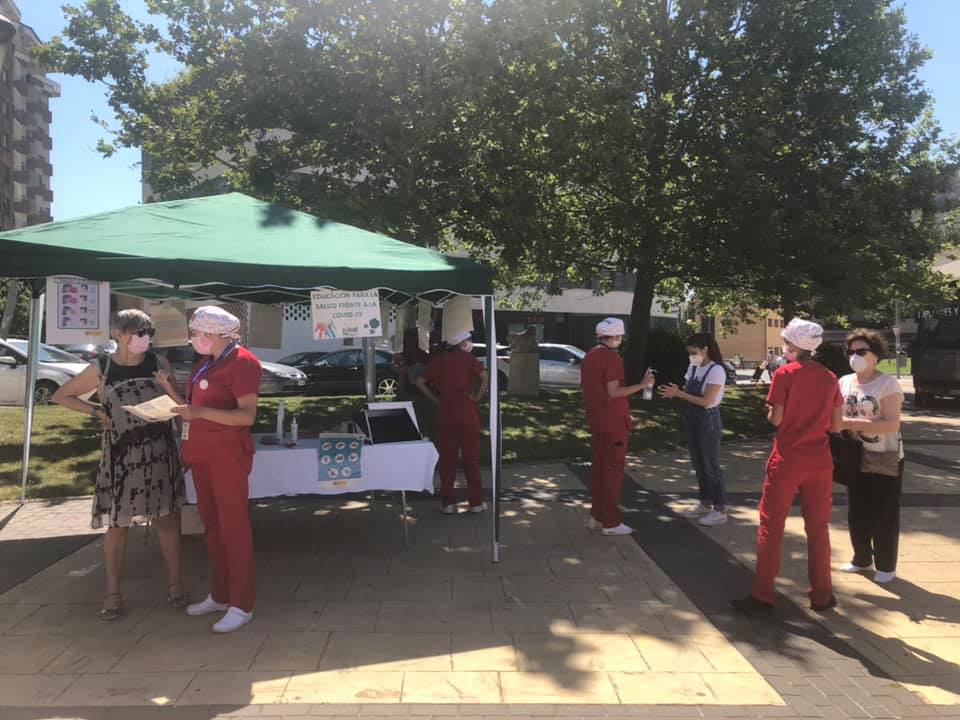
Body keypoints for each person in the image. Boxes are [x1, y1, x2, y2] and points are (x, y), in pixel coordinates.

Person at [52, 309, 186, 622]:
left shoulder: (158, 363)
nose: (145, 338)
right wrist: (96, 412)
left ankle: (175, 583)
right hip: (121, 455)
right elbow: (61, 395)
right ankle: (112, 592)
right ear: (118, 334)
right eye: (139, 332)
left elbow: (179, 405)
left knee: (167, 518)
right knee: (118, 523)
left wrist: (170, 394)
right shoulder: (102, 368)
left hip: (160, 450)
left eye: (149, 332)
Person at [732, 318, 843, 615]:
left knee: (771, 526)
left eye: (786, 342)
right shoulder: (830, 377)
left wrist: (770, 411)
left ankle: (763, 595)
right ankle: (822, 595)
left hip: (788, 458)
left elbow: (776, 419)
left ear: (794, 344)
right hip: (820, 461)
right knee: (818, 528)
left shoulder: (784, 373)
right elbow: (836, 425)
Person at [167, 306, 262, 633]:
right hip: (203, 455)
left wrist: (200, 412)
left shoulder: (243, 362)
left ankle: (242, 604)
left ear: (214, 333)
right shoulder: (207, 362)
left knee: (234, 529)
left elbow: (246, 416)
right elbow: (197, 408)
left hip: (227, 456)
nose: (193, 338)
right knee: (212, 527)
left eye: (196, 332)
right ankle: (221, 595)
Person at [838, 329, 904, 584]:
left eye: (861, 351)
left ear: (875, 355)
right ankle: (862, 559)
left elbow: (891, 424)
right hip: (854, 456)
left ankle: (886, 566)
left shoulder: (887, 384)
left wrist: (851, 424)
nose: (855, 356)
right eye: (851, 351)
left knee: (884, 513)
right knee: (857, 512)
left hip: (884, 456)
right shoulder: (844, 382)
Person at [580, 318, 655, 536]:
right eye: (620, 336)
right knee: (612, 473)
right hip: (613, 421)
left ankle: (597, 516)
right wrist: (642, 385)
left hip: (597, 419)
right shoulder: (612, 358)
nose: (620, 340)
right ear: (614, 337)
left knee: (599, 471)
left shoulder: (590, 356)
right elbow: (614, 392)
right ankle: (610, 522)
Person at [660, 333, 729, 526]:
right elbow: (687, 390)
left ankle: (720, 509)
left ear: (705, 349)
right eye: (689, 353)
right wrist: (677, 391)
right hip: (692, 418)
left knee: (710, 465)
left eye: (694, 352)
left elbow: (706, 401)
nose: (691, 356)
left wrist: (679, 394)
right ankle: (705, 503)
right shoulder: (693, 367)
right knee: (698, 464)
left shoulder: (716, 370)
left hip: (708, 419)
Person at [416, 330, 489, 514]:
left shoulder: (438, 360)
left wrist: (435, 399)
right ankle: (476, 502)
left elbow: (420, 382)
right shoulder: (468, 359)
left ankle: (448, 503)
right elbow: (484, 377)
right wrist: (476, 397)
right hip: (466, 408)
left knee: (447, 459)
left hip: (445, 410)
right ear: (462, 342)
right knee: (471, 459)